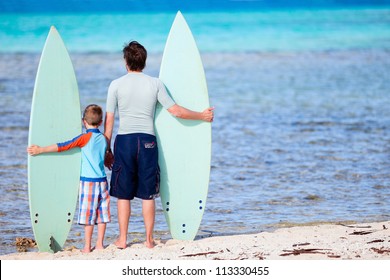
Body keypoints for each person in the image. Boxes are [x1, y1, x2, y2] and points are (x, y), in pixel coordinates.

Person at [104, 41, 214, 249]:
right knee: (148, 194)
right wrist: (202, 115)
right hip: (147, 141)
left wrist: (106, 150)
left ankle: (122, 239)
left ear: (126, 61)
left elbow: (109, 122)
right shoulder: (155, 84)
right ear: (144, 62)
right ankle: (148, 240)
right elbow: (176, 111)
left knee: (123, 194)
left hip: (125, 141)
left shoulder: (116, 85)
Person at [27, 104, 110, 253]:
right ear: (101, 122)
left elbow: (63, 146)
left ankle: (86, 246)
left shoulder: (84, 138)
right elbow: (105, 157)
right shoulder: (104, 138)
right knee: (102, 214)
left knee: (88, 216)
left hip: (88, 182)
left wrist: (41, 150)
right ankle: (99, 244)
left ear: (83, 121)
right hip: (103, 181)